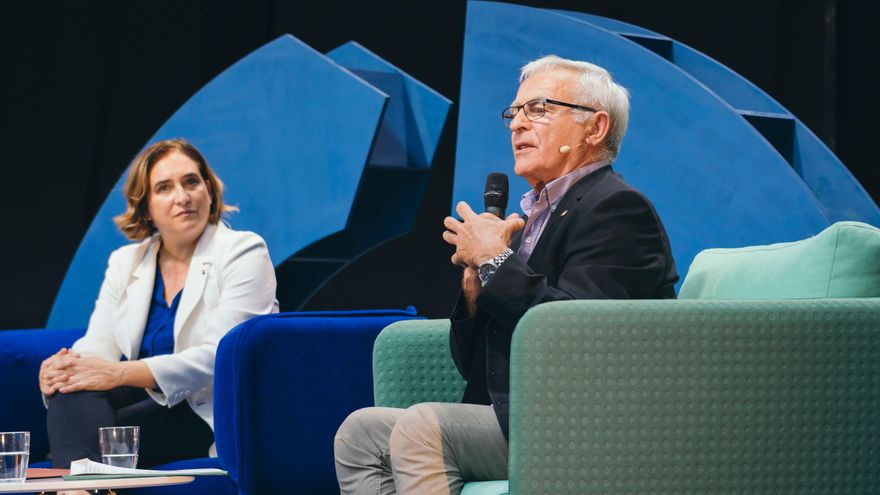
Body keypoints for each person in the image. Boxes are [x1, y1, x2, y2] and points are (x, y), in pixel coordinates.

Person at [334, 55, 678, 494]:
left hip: (587, 428)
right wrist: (477, 284)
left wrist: (497, 262)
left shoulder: (617, 210)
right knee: (361, 432)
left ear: (595, 128)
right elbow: (472, 365)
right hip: (520, 416)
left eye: (538, 109)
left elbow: (576, 336)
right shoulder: (531, 221)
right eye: (514, 112)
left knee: (423, 425)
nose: (516, 125)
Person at [38, 138, 278, 474]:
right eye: (164, 188)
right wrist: (65, 367)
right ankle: (79, 487)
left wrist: (119, 373)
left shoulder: (243, 250)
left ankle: (75, 480)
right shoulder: (126, 261)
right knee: (74, 389)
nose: (183, 198)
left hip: (207, 405)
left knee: (98, 431)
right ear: (146, 207)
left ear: (208, 191)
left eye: (192, 182)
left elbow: (221, 355)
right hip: (145, 400)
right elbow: (99, 343)